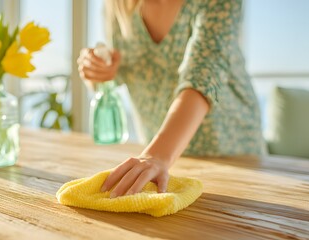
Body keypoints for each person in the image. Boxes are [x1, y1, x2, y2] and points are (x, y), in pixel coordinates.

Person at [77, 0, 263, 198]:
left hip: (232, 155)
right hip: (160, 163)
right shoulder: (117, 5)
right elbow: (120, 71)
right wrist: (95, 70)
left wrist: (156, 156)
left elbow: (204, 76)